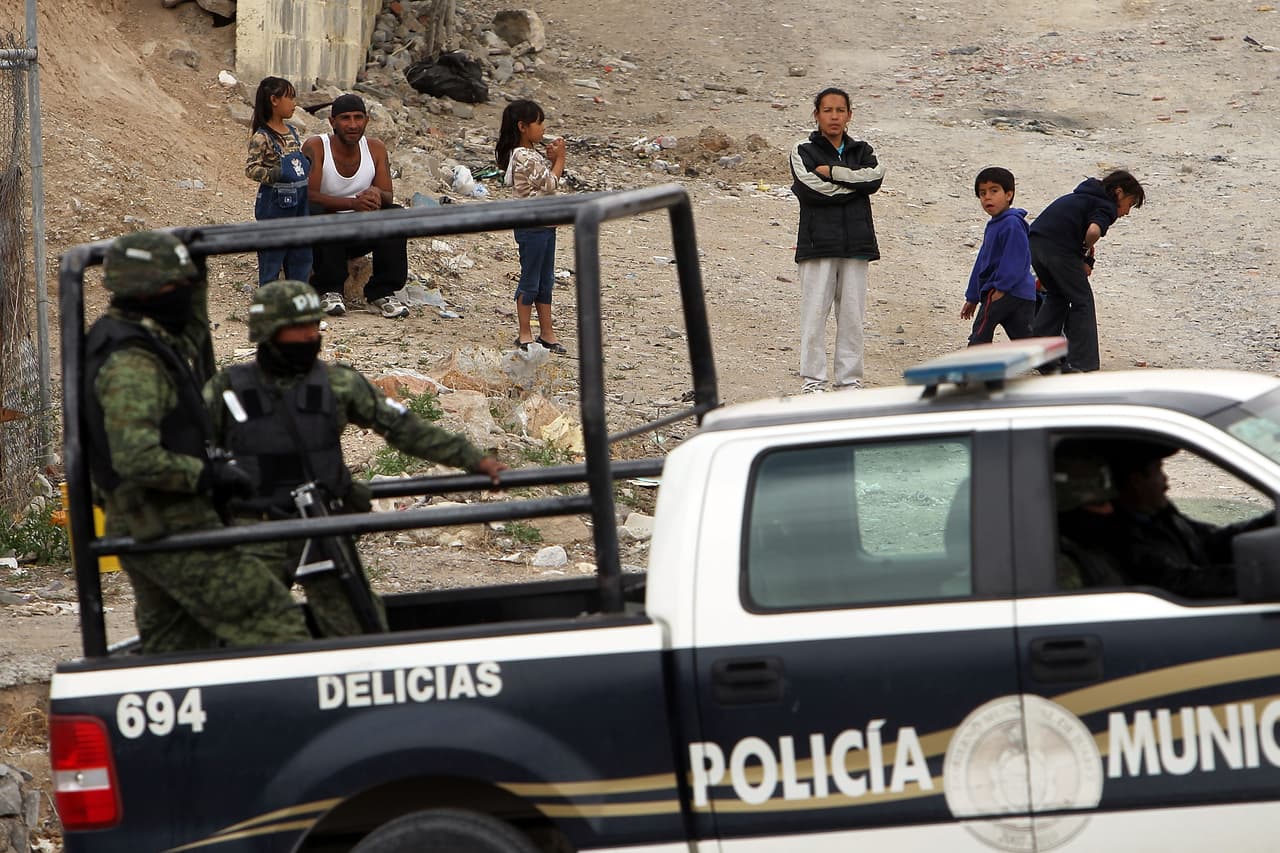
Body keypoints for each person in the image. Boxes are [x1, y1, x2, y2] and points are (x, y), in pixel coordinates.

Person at [204, 280, 509, 637]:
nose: (309, 336)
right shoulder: (226, 389)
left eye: (313, 327)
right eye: (297, 329)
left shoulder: (338, 385)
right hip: (255, 530)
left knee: (360, 625)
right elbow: (187, 450)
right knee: (246, 635)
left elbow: (405, 429)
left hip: (322, 524)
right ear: (269, 333)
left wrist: (472, 459)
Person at [84, 231, 310, 653]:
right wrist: (210, 474)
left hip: (147, 522)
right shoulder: (130, 362)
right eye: (176, 285)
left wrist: (198, 270)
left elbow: (191, 338)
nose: (183, 294)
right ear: (143, 290)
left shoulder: (137, 335)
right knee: (276, 624)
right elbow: (135, 456)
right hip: (168, 523)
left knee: (175, 648)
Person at [789, 87, 884, 394]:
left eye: (839, 110)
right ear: (816, 115)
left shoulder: (864, 150)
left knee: (853, 316)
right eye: (827, 110)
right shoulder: (803, 150)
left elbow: (875, 178)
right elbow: (811, 190)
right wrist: (854, 185)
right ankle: (813, 381)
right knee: (815, 314)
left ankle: (849, 381)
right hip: (818, 245)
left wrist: (833, 171)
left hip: (857, 244)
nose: (834, 116)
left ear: (849, 115)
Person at [1107, 440, 1270, 597]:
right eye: (1158, 470)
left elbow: (1211, 541)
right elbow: (1182, 582)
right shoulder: (1122, 539)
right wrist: (1260, 574)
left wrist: (1270, 521)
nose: (1166, 481)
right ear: (1137, 481)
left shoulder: (1161, 517)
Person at [302, 93, 411, 320]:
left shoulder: (375, 148)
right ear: (332, 122)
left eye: (358, 118)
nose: (352, 125)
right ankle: (329, 289)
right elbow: (309, 195)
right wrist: (352, 203)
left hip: (358, 233)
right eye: (345, 118)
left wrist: (376, 194)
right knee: (317, 212)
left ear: (366, 121)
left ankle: (382, 291)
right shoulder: (316, 146)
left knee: (396, 214)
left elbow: (388, 196)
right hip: (324, 237)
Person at [1029, 170, 1146, 372]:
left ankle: (1041, 353)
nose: (1127, 211)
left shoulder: (1082, 196)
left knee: (1059, 295)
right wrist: (1083, 249)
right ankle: (1082, 363)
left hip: (1034, 244)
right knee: (1082, 300)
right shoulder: (1106, 205)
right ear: (1118, 192)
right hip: (1059, 250)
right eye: (1130, 203)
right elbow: (1093, 231)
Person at [495, 99, 568, 354]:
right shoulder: (522, 154)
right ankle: (525, 333)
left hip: (545, 224)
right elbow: (549, 184)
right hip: (532, 226)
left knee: (545, 279)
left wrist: (551, 159)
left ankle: (547, 333)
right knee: (531, 279)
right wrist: (560, 159)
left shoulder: (530, 154)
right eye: (539, 122)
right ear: (523, 127)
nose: (543, 128)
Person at [245, 76, 312, 286]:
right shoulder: (262, 137)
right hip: (277, 202)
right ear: (274, 100)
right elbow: (251, 168)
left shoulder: (292, 132)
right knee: (273, 251)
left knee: (301, 250)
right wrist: (275, 174)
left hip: (300, 200)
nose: (294, 103)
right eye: (290, 98)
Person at [959, 167, 1036, 345]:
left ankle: (974, 370)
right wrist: (973, 297)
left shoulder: (1011, 224)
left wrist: (1001, 287)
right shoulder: (996, 225)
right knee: (1027, 339)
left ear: (1008, 195)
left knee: (980, 334)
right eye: (982, 193)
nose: (987, 197)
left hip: (1003, 292)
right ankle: (1057, 368)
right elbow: (982, 262)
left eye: (994, 191)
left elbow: (1015, 259)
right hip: (1021, 294)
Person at [1052, 451, 1125, 589]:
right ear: (1068, 508)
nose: (1109, 510)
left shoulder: (1091, 551)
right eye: (1099, 504)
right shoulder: (1062, 564)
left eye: (1109, 502)